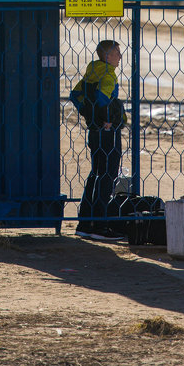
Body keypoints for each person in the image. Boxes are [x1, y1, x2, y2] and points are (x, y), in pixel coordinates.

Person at [70, 39, 128, 243]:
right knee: (108, 175)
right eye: (118, 53)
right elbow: (103, 98)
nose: (120, 57)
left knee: (95, 174)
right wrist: (107, 120)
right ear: (108, 56)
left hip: (94, 131)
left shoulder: (91, 72)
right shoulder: (108, 74)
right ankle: (101, 226)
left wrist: (90, 116)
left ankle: (85, 224)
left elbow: (75, 95)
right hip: (107, 133)